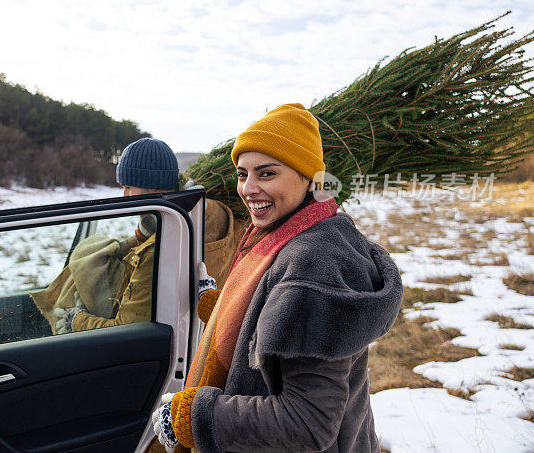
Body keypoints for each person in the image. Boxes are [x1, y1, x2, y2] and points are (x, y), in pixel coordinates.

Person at [150, 103, 403, 453]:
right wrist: (219, 304)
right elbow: (278, 319)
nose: (249, 188)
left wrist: (194, 416)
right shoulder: (294, 234)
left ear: (308, 178)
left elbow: (307, 422)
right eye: (242, 174)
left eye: (266, 174)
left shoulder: (315, 266)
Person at [56, 137, 245, 333]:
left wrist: (76, 321)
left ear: (153, 185)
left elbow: (126, 331)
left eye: (129, 187)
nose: (125, 196)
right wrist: (128, 244)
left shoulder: (158, 250)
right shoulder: (210, 211)